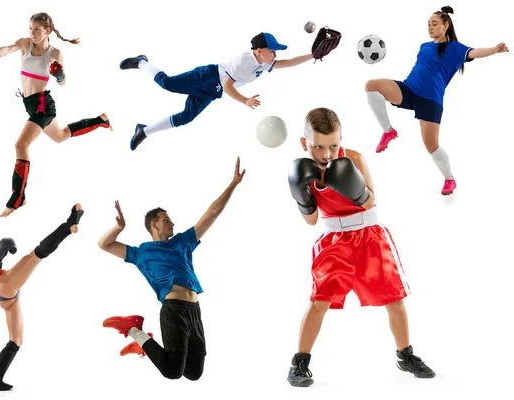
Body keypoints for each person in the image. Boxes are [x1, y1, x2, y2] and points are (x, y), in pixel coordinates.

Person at [286, 108, 435, 387]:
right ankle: (299, 363)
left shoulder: (353, 159)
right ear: (304, 143)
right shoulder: (305, 171)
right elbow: (311, 221)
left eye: (333, 145)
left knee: (395, 299)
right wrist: (301, 197)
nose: (327, 154)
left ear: (341, 138)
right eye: (318, 146)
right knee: (319, 301)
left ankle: (406, 356)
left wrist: (350, 184)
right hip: (334, 243)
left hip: (369, 237)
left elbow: (369, 201)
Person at [97, 158, 245, 380]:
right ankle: (134, 330)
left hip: (194, 311)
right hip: (173, 310)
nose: (172, 222)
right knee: (172, 372)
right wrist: (119, 227)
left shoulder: (183, 242)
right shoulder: (141, 253)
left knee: (194, 373)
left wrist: (233, 184)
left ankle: (145, 346)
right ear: (154, 225)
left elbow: (212, 214)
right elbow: (104, 244)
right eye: (166, 219)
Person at [0, 12, 113, 217]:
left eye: (37, 30)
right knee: (61, 136)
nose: (32, 33)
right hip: (31, 105)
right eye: (30, 29)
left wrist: (59, 74)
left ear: (47, 31)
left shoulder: (54, 53)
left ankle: (18, 198)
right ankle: (101, 121)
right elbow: (7, 49)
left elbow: (63, 81)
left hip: (42, 106)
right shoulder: (25, 44)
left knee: (21, 145)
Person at [365, 5, 508, 195]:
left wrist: (494, 50)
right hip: (408, 90)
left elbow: (475, 52)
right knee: (372, 85)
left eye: (434, 24)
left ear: (446, 25)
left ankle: (449, 179)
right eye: (428, 24)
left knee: (431, 145)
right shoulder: (424, 46)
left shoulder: (455, 48)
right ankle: (388, 132)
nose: (430, 27)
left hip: (430, 100)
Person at [0, 204, 84, 391]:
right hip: (3, 285)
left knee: (16, 340)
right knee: (35, 256)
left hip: (6, 296)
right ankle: (69, 225)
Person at [119, 33, 315, 150]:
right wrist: (245, 100)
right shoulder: (245, 61)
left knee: (186, 117)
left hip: (213, 91)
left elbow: (288, 63)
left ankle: (143, 131)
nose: (275, 54)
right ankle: (141, 62)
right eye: (272, 50)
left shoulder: (264, 64)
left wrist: (312, 55)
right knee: (167, 83)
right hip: (207, 77)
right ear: (258, 51)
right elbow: (229, 86)